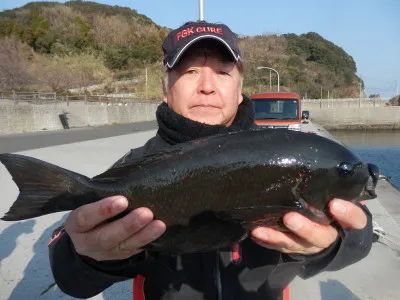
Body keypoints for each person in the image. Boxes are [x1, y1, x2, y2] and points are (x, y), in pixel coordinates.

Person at [48, 20, 373, 300]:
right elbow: (70, 277)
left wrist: (335, 242)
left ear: (239, 87)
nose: (207, 87)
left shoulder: (284, 153)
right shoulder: (136, 166)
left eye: (222, 72)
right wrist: (87, 255)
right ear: (165, 87)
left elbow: (360, 231)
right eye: (190, 72)